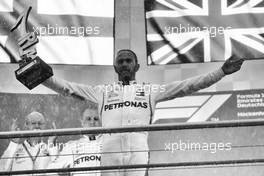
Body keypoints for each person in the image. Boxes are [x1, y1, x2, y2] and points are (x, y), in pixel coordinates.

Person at [40, 49, 244, 176]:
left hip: (138, 147)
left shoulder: (150, 90)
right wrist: (39, 76)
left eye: (129, 61)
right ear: (115, 67)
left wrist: (221, 72)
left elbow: (188, 86)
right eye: (120, 61)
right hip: (110, 146)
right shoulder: (101, 91)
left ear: (136, 66)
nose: (125, 64)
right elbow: (67, 87)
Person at [47, 107, 102, 176]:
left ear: (101, 121)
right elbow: (53, 169)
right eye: (88, 119)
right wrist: (52, 142)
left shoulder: (108, 142)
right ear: (82, 122)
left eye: (96, 119)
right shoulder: (72, 146)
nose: (92, 122)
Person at [0, 111, 58, 176]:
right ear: (26, 125)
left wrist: (52, 143)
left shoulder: (49, 149)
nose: (37, 126)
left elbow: (56, 171)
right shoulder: (15, 148)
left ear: (44, 126)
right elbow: (3, 169)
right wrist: (14, 142)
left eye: (40, 123)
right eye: (33, 123)